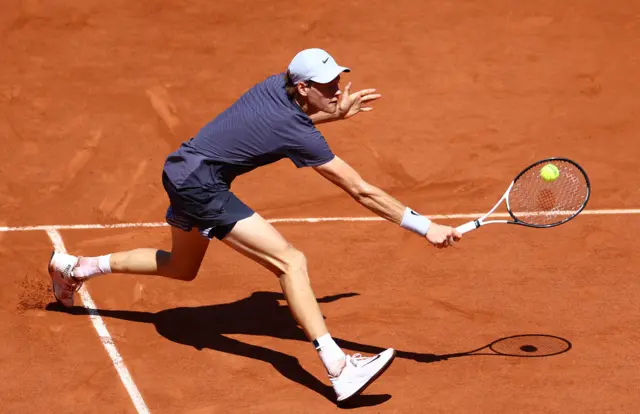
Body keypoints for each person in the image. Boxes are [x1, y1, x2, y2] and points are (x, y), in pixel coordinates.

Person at [48, 48, 462, 403]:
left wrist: (333, 114)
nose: (337, 89)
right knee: (290, 262)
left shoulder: (272, 86)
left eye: (338, 79)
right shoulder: (295, 126)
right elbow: (361, 190)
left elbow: (281, 130)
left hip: (181, 169)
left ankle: (75, 267)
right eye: (328, 85)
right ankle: (339, 368)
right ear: (302, 88)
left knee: (181, 267)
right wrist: (424, 227)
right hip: (201, 185)